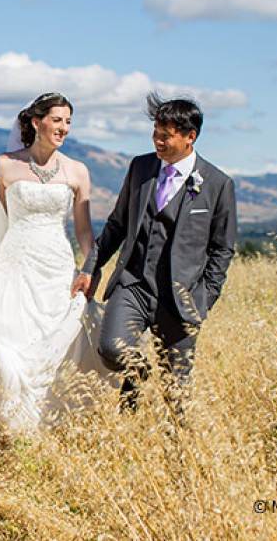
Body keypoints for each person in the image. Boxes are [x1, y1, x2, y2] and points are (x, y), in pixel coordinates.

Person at [0, 93, 113, 433]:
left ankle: (49, 424)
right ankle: (16, 426)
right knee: (13, 343)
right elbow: (1, 218)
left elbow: (83, 230)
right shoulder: (6, 165)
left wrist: (89, 267)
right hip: (16, 266)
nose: (63, 128)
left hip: (56, 268)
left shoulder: (78, 171)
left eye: (68, 121)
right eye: (57, 120)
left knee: (57, 345)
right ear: (37, 122)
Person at [72, 92, 237, 414]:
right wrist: (90, 267)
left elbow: (222, 249)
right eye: (155, 134)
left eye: (166, 136)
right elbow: (117, 225)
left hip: (181, 298)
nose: (157, 141)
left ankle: (174, 453)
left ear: (190, 137)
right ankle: (138, 374)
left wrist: (205, 298)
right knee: (111, 349)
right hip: (133, 284)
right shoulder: (141, 167)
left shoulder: (218, 184)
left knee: (176, 392)